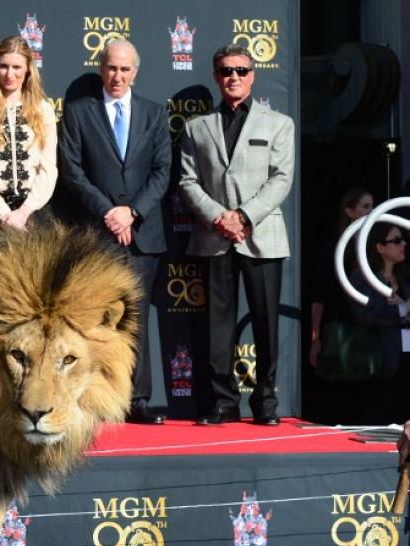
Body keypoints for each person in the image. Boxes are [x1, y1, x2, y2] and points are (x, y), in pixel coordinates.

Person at [179, 44, 295, 426]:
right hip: (214, 238)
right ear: (216, 75)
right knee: (218, 327)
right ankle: (224, 402)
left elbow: (281, 179)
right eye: (226, 70)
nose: (234, 77)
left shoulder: (278, 123)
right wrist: (219, 217)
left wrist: (244, 216)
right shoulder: (197, 128)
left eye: (242, 71)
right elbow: (188, 180)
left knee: (265, 323)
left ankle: (266, 403)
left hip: (261, 235)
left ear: (253, 75)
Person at [59, 38, 171, 424]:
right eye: (111, 68)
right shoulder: (77, 113)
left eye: (125, 69)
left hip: (142, 235)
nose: (117, 75)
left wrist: (132, 213)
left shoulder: (154, 115)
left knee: (135, 318)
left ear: (135, 73)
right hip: (97, 233)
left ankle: (138, 399)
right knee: (97, 319)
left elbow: (162, 171)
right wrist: (110, 213)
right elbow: (72, 172)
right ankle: (96, 399)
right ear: (101, 69)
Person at [0, 35, 57, 231]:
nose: (9, 74)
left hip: (34, 215)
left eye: (16, 67)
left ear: (28, 70)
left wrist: (24, 212)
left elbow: (49, 169)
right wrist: (3, 213)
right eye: (4, 66)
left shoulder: (43, 110)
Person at [349, 223, 410, 425]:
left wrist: (404, 308)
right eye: (396, 241)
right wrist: (401, 310)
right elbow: (365, 316)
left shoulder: (405, 277)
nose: (403, 244)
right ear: (380, 247)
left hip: (405, 356)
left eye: (403, 239)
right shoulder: (363, 277)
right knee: (379, 412)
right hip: (378, 358)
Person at [309, 188, 374, 369]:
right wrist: (316, 340)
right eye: (365, 206)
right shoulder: (334, 248)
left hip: (375, 328)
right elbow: (319, 296)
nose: (372, 212)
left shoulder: (379, 245)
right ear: (350, 212)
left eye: (373, 206)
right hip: (342, 327)